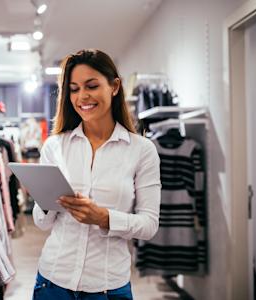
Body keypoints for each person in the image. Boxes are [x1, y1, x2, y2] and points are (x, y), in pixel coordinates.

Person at [32, 49, 161, 300]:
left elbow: (149, 224)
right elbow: (42, 223)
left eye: (91, 86)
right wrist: (45, 201)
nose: (82, 96)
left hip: (108, 285)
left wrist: (104, 218)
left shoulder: (142, 151)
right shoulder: (55, 146)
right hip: (52, 281)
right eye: (74, 88)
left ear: (114, 86)